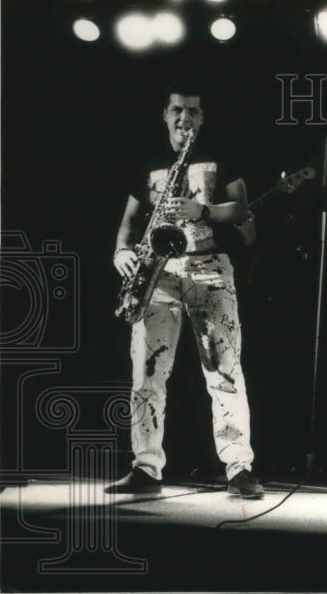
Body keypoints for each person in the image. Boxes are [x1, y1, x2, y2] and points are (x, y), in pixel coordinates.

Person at [106, 80, 264, 499]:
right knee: (146, 374)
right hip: (157, 274)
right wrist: (122, 250)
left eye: (193, 111)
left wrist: (203, 210)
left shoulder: (221, 154)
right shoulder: (150, 163)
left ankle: (238, 467)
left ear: (202, 117)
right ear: (165, 114)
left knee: (225, 372)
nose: (184, 118)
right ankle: (145, 469)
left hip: (210, 267)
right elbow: (129, 220)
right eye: (177, 109)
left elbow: (242, 210)